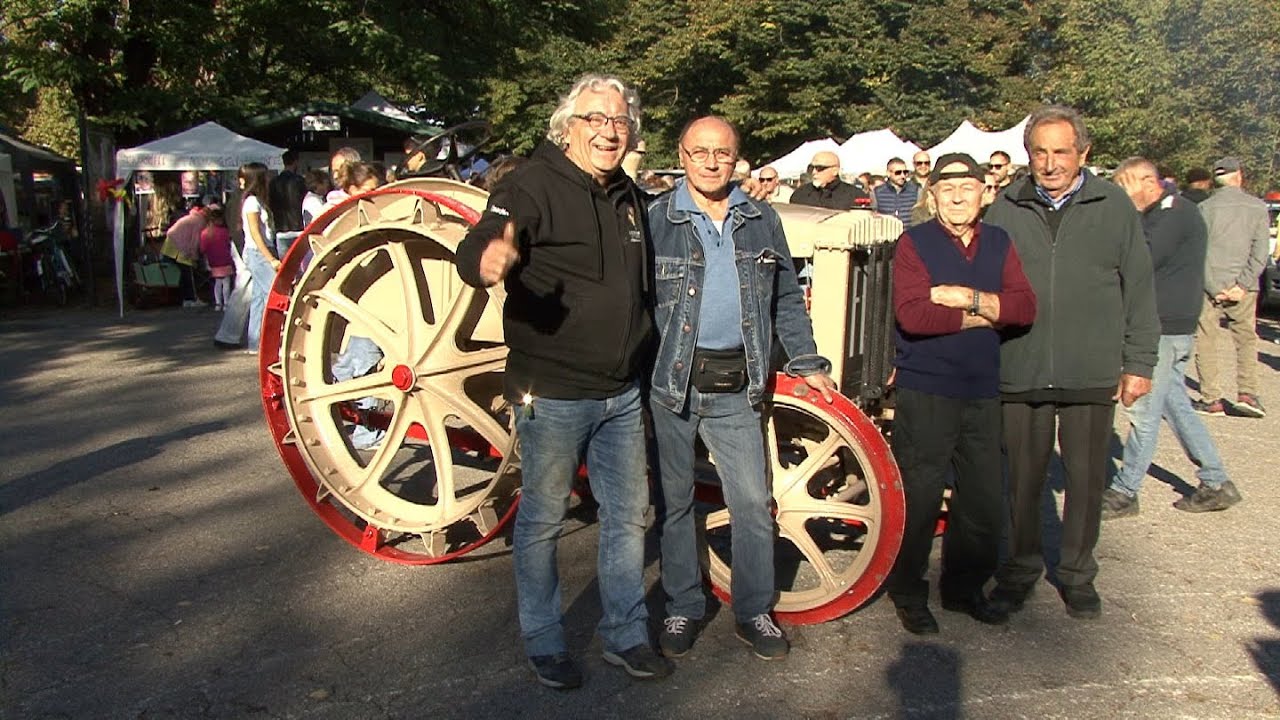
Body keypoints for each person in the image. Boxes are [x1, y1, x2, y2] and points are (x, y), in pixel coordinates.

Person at [454, 73, 669, 689]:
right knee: (543, 521)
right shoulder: (529, 185)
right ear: (567, 128)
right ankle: (545, 640)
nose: (609, 130)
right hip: (550, 393)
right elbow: (478, 246)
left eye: (620, 120)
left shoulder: (627, 191)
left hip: (620, 392)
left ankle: (624, 635)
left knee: (629, 519)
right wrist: (486, 261)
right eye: (595, 119)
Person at [647, 116, 837, 661]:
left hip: (736, 383)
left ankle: (754, 609)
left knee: (753, 502)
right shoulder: (658, 218)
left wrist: (806, 361)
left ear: (737, 160)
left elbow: (782, 300)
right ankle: (684, 605)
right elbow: (634, 306)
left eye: (722, 153)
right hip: (671, 383)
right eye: (700, 152)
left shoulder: (760, 219)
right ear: (682, 156)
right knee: (675, 502)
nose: (711, 162)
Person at [983, 105, 1159, 620]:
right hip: (1021, 363)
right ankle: (1018, 572)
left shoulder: (1114, 206)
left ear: (1083, 153)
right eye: (1040, 151)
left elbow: (1140, 289)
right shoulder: (1007, 208)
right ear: (1028, 155)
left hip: (1090, 366)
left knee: (1084, 481)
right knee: (1022, 480)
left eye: (1061, 151)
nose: (1050, 162)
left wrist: (1139, 362)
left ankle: (1078, 575)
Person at [887, 153, 1037, 635]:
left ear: (984, 193)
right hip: (927, 386)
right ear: (931, 196)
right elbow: (914, 317)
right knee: (922, 494)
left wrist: (964, 298)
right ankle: (909, 593)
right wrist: (991, 310)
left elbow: (1025, 307)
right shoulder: (915, 243)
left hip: (981, 387)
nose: (956, 196)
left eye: (967, 187)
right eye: (946, 188)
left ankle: (964, 588)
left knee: (982, 498)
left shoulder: (999, 242)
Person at [1101, 157, 1242, 518]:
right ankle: (1215, 482)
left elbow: (1140, 259)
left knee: (1143, 411)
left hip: (1163, 327)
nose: (1120, 195)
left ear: (1146, 182)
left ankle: (1124, 491)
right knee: (1175, 405)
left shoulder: (1172, 213)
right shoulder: (1164, 212)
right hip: (1169, 325)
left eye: (1124, 186)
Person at [1191, 156, 1271, 418]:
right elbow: (1260, 253)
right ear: (1239, 176)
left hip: (1209, 284)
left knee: (1206, 338)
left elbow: (1197, 252)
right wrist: (1243, 284)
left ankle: (1211, 398)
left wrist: (1214, 287)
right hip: (1244, 288)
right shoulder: (1258, 208)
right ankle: (1247, 394)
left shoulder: (1205, 208)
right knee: (1246, 338)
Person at [238, 162, 275, 353]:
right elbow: (255, 232)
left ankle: (256, 342)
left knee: (260, 298)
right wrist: (271, 258)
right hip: (258, 252)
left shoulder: (256, 200)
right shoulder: (252, 202)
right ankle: (270, 341)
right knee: (273, 293)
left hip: (258, 252)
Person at [161, 199, 208, 307]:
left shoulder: (192, 217)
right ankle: (191, 298)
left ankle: (186, 298)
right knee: (188, 272)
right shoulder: (200, 222)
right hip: (180, 247)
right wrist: (194, 256)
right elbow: (194, 241)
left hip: (170, 244)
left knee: (183, 273)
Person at [790, 151, 867, 209]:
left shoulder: (855, 195)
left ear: (835, 171)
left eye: (820, 168)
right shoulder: (800, 194)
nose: (814, 172)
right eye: (811, 168)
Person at [268, 149, 306, 259]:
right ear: (296, 162)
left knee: (285, 265)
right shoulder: (299, 181)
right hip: (297, 227)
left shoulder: (273, 182)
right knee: (300, 265)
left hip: (280, 228)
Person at [199, 204, 233, 312]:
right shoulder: (225, 232)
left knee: (218, 282)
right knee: (226, 283)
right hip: (226, 259)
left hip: (213, 261)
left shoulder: (205, 233)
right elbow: (229, 244)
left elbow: (202, 249)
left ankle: (218, 303)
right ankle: (226, 303)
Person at [873, 157, 920, 224]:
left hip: (909, 232)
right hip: (886, 232)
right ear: (888, 173)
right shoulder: (877, 192)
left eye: (905, 172)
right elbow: (873, 215)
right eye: (898, 172)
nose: (902, 176)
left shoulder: (915, 190)